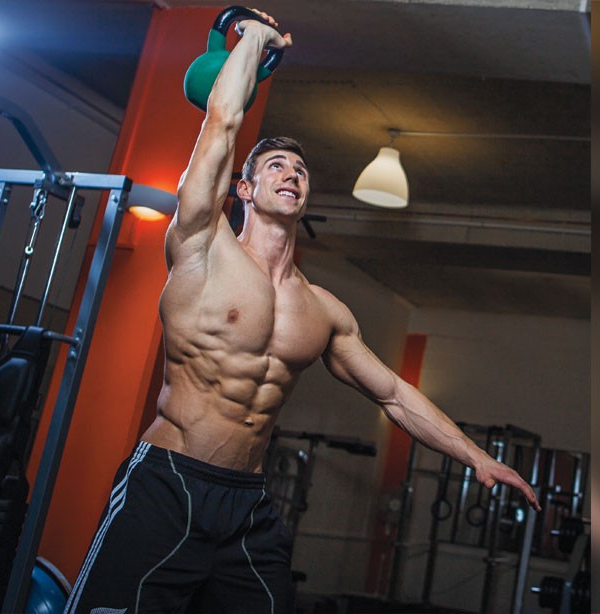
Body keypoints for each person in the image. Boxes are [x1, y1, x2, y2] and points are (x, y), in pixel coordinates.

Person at [63, 10, 538, 614]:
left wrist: (477, 457)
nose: (292, 174)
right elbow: (222, 120)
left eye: (301, 170)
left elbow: (393, 394)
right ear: (245, 190)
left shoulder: (323, 310)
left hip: (247, 505)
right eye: (276, 167)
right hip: (168, 484)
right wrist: (252, 39)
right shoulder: (201, 246)